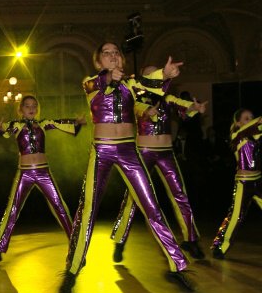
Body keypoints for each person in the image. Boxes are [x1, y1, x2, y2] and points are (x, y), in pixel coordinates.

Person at [59, 43, 192, 293]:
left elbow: (149, 85)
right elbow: (97, 84)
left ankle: (177, 265)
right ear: (98, 62)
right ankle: (72, 269)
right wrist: (109, 77)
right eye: (106, 53)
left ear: (121, 59)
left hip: (129, 151)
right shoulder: (91, 82)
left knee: (152, 206)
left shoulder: (131, 84)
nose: (113, 56)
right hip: (102, 151)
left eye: (116, 53)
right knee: (88, 209)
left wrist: (164, 74)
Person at [110, 66, 208, 262]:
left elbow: (182, 104)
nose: (154, 76)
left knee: (179, 194)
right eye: (149, 74)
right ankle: (120, 240)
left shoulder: (167, 98)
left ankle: (190, 239)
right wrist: (147, 110)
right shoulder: (135, 97)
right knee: (133, 197)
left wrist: (194, 107)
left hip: (166, 153)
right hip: (143, 152)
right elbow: (136, 109)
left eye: (156, 72)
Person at [0, 95, 84, 267]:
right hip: (24, 173)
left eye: (34, 106)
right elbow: (4, 130)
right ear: (21, 110)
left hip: (43, 172)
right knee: (12, 210)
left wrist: (77, 122)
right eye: (27, 106)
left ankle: (76, 246)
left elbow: (62, 123)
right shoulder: (16, 125)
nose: (31, 108)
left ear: (37, 109)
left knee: (60, 206)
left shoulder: (44, 124)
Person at [210, 109, 262, 259]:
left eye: (251, 117)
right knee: (236, 216)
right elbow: (253, 126)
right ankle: (220, 246)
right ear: (238, 123)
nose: (250, 120)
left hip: (258, 181)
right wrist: (257, 121)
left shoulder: (256, 135)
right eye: (246, 118)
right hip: (243, 183)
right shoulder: (236, 136)